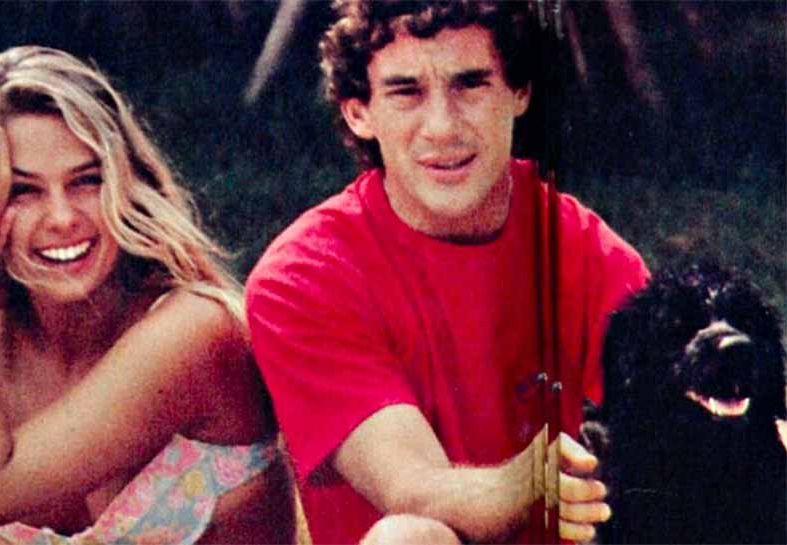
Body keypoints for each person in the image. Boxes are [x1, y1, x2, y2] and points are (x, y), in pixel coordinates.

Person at [245, 1, 650, 543]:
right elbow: (414, 490)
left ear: (520, 93)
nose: (442, 126)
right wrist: (537, 477)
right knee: (408, 537)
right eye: (406, 92)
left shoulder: (588, 252)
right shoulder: (303, 277)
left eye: (471, 84)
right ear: (358, 112)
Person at [0, 46, 295, 545]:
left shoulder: (193, 328)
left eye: (86, 181)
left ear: (125, 183)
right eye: (22, 190)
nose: (62, 218)